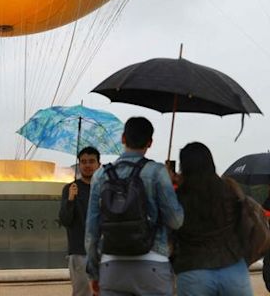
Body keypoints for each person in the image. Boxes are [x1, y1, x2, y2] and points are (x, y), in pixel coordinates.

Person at [85, 117, 184, 296]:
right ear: (150, 142)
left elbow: (92, 230)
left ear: (123, 138)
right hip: (153, 263)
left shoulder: (100, 174)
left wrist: (93, 272)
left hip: (111, 265)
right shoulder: (156, 172)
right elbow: (175, 221)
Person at [172, 142, 253, 296]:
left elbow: (172, 226)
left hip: (192, 270)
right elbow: (244, 223)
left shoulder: (179, 196)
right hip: (233, 266)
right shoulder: (229, 189)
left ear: (184, 166)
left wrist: (169, 185)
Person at [59, 146, 101, 296]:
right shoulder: (70, 188)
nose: (87, 165)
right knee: (82, 292)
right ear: (79, 164)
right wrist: (70, 199)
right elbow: (65, 220)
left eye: (91, 161)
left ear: (99, 164)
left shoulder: (104, 188)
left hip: (103, 251)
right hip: (79, 251)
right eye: (83, 162)